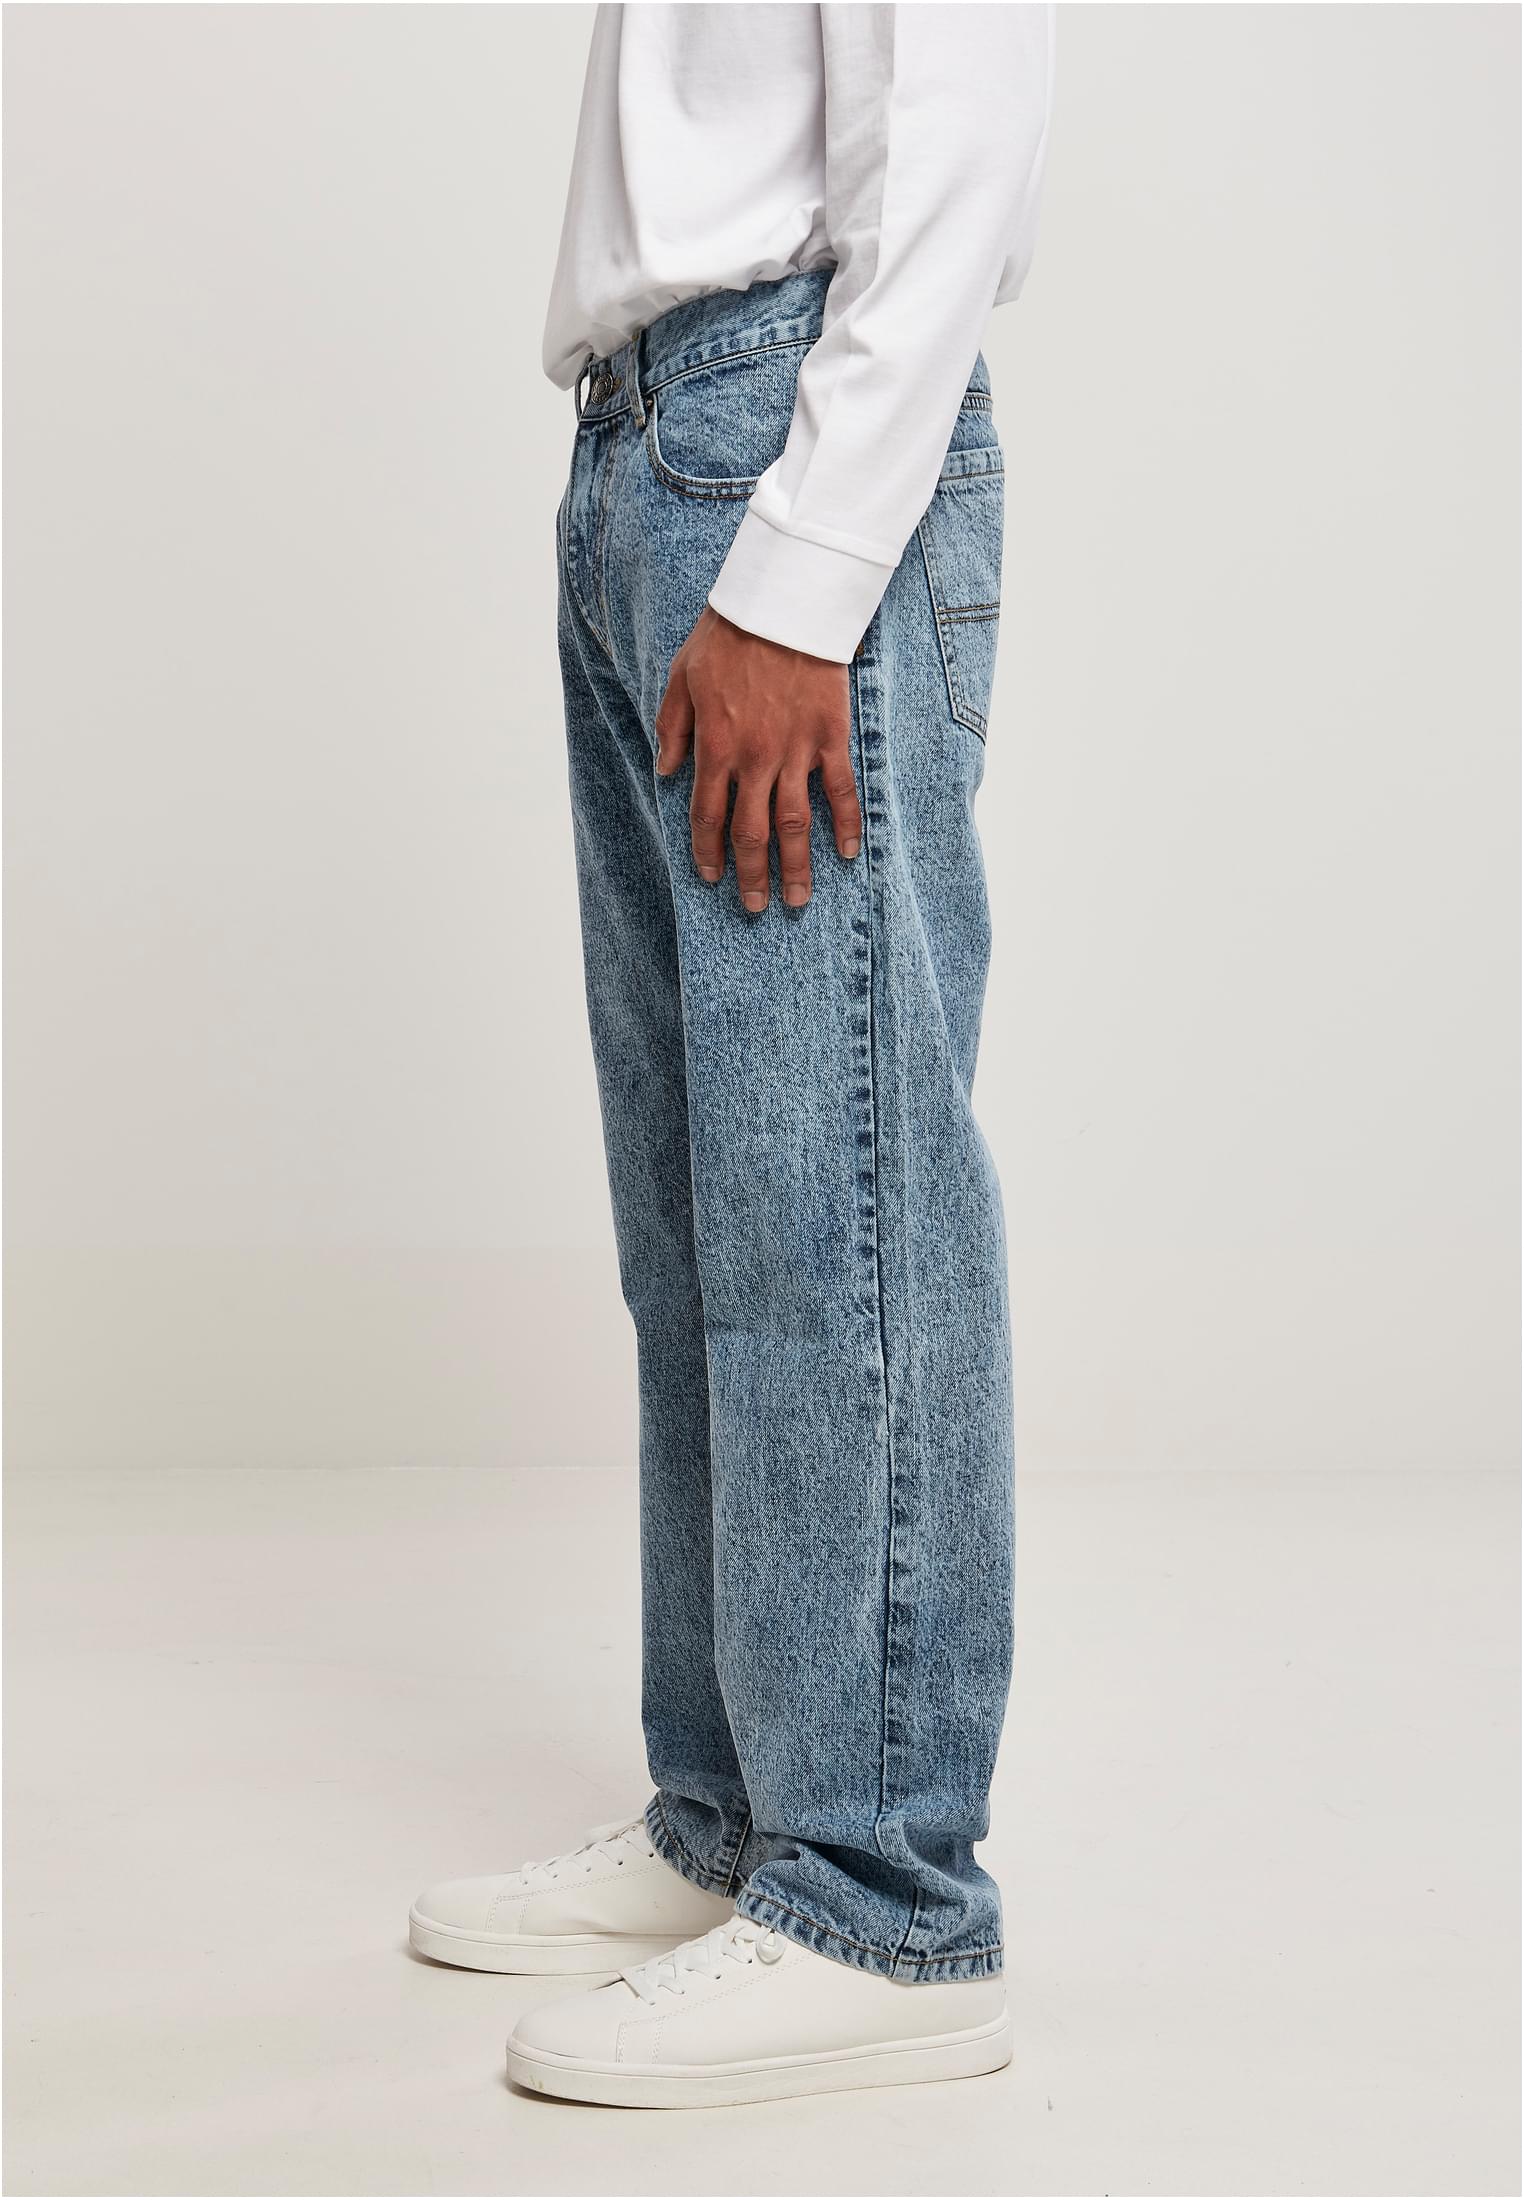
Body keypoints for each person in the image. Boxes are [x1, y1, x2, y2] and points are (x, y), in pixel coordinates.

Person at [410, 0, 1053, 2109]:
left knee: (834, 1193)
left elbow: (959, 105)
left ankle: (882, 1897)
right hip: (648, 437)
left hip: (782, 438)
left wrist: (806, 565)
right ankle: (738, 1815)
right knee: (701, 1207)